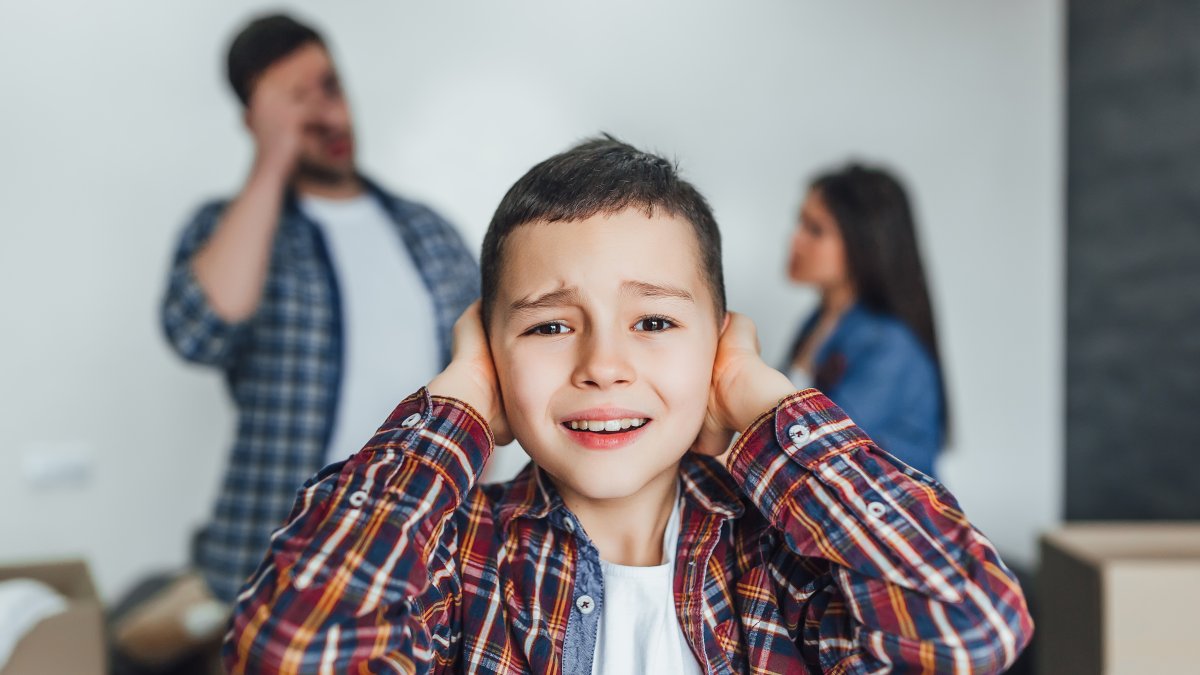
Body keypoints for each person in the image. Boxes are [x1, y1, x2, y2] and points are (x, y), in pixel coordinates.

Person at [224, 138, 1031, 673]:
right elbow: (296, 644)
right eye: (547, 325)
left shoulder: (779, 567)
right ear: (490, 351)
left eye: (653, 321)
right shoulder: (457, 560)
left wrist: (762, 403)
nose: (603, 365)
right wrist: (458, 405)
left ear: (718, 343)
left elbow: (970, 626)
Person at [156, 12, 478, 623]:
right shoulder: (231, 230)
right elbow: (199, 330)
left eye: (328, 87)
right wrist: (272, 156)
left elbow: (488, 371)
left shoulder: (428, 231)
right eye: (295, 101)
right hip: (275, 567)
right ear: (255, 121)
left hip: (417, 564)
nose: (327, 114)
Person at [784, 164, 947, 477]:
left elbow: (818, 445)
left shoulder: (890, 345)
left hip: (893, 518)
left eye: (815, 229)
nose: (795, 241)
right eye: (799, 223)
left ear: (863, 244)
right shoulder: (816, 323)